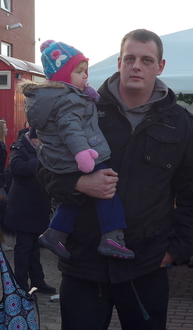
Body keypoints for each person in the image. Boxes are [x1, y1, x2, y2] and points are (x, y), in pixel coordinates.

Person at [37, 29, 193, 330]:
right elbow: (43, 168)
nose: (137, 66)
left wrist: (178, 249)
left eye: (146, 60)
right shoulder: (80, 106)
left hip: (145, 264)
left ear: (160, 66)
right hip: (84, 264)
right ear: (119, 63)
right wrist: (78, 183)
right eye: (130, 58)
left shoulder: (180, 123)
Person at [22, 39, 134, 260]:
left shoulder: (59, 98)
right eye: (79, 71)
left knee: (79, 196)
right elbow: (71, 128)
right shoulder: (69, 100)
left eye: (85, 71)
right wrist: (82, 153)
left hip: (63, 157)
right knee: (107, 190)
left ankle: (55, 233)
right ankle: (112, 237)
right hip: (78, 155)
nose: (85, 76)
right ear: (63, 76)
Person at [3, 128, 56, 294]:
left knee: (34, 247)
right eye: (40, 139)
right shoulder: (19, 148)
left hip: (38, 206)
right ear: (32, 138)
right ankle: (20, 286)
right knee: (24, 247)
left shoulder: (42, 149)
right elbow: (16, 168)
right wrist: (41, 161)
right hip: (23, 207)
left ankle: (38, 282)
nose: (42, 143)